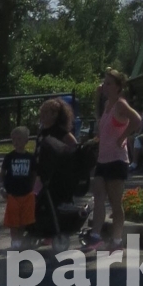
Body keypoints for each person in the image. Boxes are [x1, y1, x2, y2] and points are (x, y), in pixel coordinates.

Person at [86, 70, 142, 252]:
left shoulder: (120, 105)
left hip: (117, 160)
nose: (105, 86)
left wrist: (123, 137)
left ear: (118, 87)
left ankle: (117, 239)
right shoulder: (107, 105)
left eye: (109, 83)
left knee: (115, 202)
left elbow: (137, 120)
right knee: (98, 196)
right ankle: (95, 236)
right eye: (105, 82)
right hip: (103, 159)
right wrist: (97, 96)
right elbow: (98, 120)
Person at [36, 97, 82, 247]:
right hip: (42, 170)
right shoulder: (42, 131)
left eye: (45, 112)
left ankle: (54, 230)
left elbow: (73, 145)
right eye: (41, 112)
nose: (41, 115)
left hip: (56, 173)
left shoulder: (59, 131)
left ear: (55, 114)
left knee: (52, 201)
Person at [1, 126, 42, 250]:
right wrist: (2, 188)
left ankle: (20, 237)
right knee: (13, 220)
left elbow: (35, 175)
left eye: (19, 139)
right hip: (12, 193)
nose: (16, 142)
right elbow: (2, 174)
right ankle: (15, 240)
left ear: (26, 141)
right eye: (14, 139)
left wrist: (34, 190)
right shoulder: (9, 157)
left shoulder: (30, 158)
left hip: (27, 193)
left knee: (25, 220)